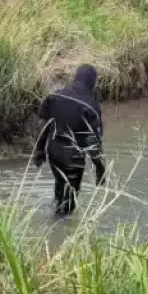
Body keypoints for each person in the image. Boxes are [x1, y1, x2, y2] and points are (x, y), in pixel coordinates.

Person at [33, 64, 107, 216]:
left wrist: (39, 150)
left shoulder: (55, 96)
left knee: (60, 187)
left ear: (76, 78)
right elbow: (92, 142)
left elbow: (44, 126)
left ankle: (56, 212)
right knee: (69, 204)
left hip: (53, 153)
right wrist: (100, 167)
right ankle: (59, 233)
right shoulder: (91, 106)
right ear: (92, 82)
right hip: (73, 159)